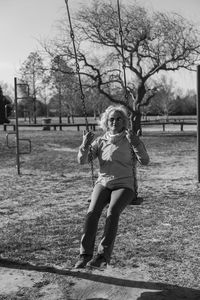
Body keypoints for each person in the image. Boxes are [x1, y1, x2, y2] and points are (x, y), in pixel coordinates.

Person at [75, 105, 149, 269]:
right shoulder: (100, 141)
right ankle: (84, 255)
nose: (115, 121)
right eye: (111, 119)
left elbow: (145, 160)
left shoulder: (130, 139)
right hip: (103, 183)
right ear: (106, 122)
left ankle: (102, 256)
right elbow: (82, 161)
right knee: (92, 213)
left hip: (124, 185)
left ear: (124, 121)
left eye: (119, 118)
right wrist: (84, 145)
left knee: (112, 212)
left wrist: (136, 143)